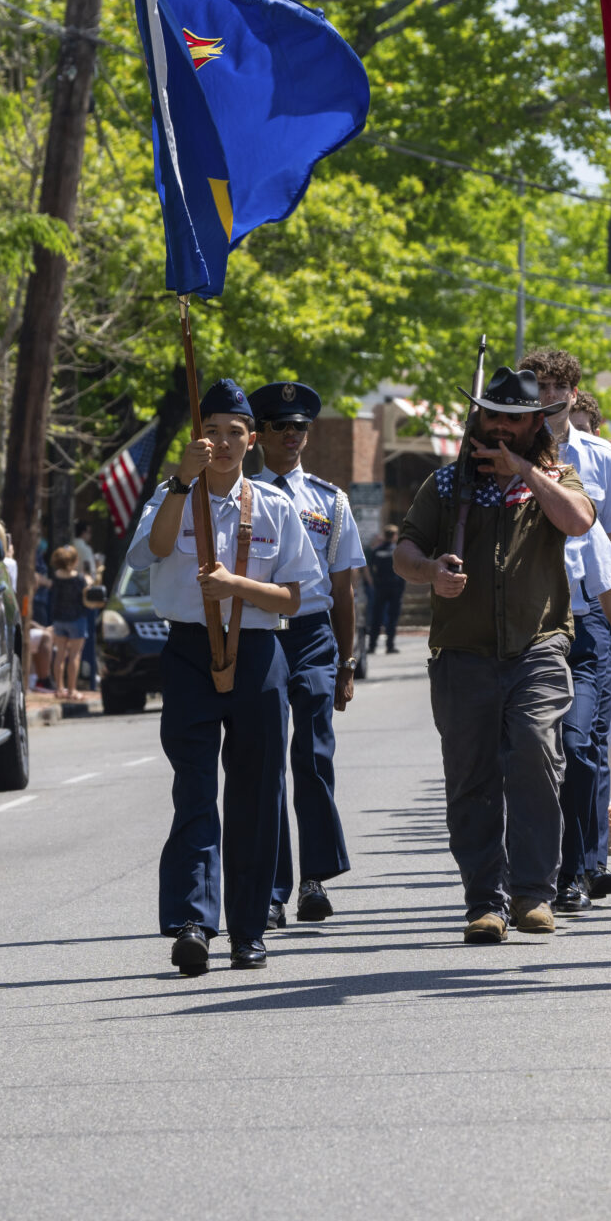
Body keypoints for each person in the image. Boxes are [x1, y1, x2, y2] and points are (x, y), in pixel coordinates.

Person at [395, 367, 611, 943]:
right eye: (491, 415)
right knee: (470, 779)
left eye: (513, 419)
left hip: (538, 649)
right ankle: (484, 900)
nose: (500, 427)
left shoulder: (556, 475)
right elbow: (405, 550)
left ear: (533, 425)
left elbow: (579, 521)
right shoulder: (447, 485)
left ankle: (532, 894)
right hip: (461, 655)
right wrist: (430, 572)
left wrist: (525, 471)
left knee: (535, 757)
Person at [128, 380, 326, 976]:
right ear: (198, 439)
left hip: (260, 652)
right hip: (188, 651)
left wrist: (238, 586)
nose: (222, 442)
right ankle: (193, 921)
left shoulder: (272, 506)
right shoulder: (173, 495)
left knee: (257, 794)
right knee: (194, 789)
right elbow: (150, 552)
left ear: (252, 440)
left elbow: (294, 598)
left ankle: (248, 929)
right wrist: (181, 484)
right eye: (211, 431)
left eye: (235, 432)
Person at [518, 350, 611, 913]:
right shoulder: (512, 454)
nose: (547, 396)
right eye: (537, 387)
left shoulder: (600, 456)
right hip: (532, 617)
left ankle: (580, 866)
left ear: (574, 394)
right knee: (535, 747)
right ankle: (549, 862)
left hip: (591, 614)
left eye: (556, 387)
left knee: (583, 745)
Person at [251, 381, 368, 929]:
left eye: (301, 428)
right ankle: (271, 889)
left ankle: (314, 879)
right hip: (259, 633)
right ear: (259, 437)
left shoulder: (330, 500)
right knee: (269, 758)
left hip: (314, 636)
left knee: (313, 757)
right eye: (281, 428)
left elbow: (344, 589)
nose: (293, 437)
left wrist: (347, 662)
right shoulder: (239, 495)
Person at [44, 546, 94, 704]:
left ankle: (59, 689)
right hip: (77, 620)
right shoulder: (79, 579)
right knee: (74, 656)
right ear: (73, 561)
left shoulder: (56, 577)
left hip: (59, 620)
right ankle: (72, 690)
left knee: (60, 655)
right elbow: (88, 591)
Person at [366, 524, 405, 655]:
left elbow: (370, 568)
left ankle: (372, 646)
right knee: (392, 618)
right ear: (395, 536)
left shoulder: (376, 551)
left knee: (376, 617)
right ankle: (390, 646)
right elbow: (403, 570)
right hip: (395, 588)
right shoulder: (397, 550)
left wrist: (373, 582)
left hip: (380, 588)